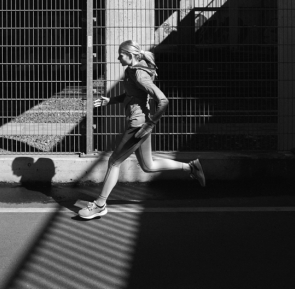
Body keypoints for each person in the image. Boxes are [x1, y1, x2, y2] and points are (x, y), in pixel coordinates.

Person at [78, 40, 206, 220]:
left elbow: (163, 100)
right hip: (141, 124)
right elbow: (132, 94)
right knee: (148, 166)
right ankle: (191, 167)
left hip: (138, 125)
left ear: (130, 55)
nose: (118, 58)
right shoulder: (132, 71)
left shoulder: (139, 74)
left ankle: (100, 205)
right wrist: (111, 100)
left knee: (114, 162)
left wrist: (149, 124)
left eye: (120, 55)